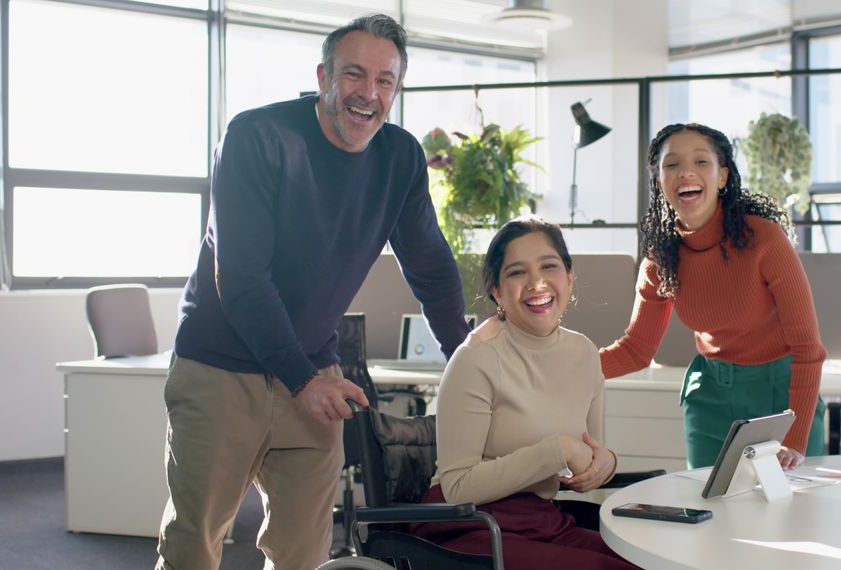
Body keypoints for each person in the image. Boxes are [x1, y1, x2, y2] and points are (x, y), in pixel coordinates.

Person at [155, 14, 471, 570]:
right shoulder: (257, 137)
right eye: (353, 75)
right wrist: (300, 377)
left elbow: (431, 265)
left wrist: (465, 356)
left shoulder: (399, 158)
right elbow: (245, 277)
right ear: (323, 76)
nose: (368, 94)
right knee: (194, 546)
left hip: (314, 374)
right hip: (220, 370)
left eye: (385, 81)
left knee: (304, 552)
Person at [411, 217, 638, 569]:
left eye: (549, 266)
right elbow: (456, 486)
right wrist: (555, 450)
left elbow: (591, 451)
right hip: (469, 524)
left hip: (542, 520)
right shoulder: (476, 359)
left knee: (650, 561)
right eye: (517, 273)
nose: (537, 283)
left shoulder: (584, 354)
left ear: (569, 275)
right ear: (497, 292)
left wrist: (606, 463)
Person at [600, 123, 826, 471]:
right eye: (671, 164)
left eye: (701, 161)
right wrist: (564, 365)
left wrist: (794, 438)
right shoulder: (661, 259)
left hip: (782, 398)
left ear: (722, 176)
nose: (686, 172)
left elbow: (807, 348)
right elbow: (636, 350)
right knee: (714, 517)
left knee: (795, 517)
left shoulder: (764, 240)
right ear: (659, 181)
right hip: (710, 399)